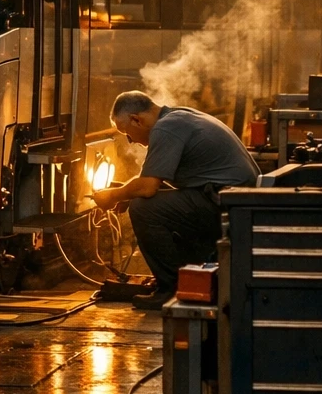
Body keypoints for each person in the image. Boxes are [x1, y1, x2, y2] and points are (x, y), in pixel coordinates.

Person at [93, 91, 260, 312]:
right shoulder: (180, 116)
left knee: (143, 209)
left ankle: (169, 287)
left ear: (136, 119)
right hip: (238, 203)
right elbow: (163, 184)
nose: (130, 140)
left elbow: (148, 186)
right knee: (149, 204)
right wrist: (128, 192)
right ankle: (187, 277)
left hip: (229, 206)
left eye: (127, 133)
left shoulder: (165, 128)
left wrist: (113, 195)